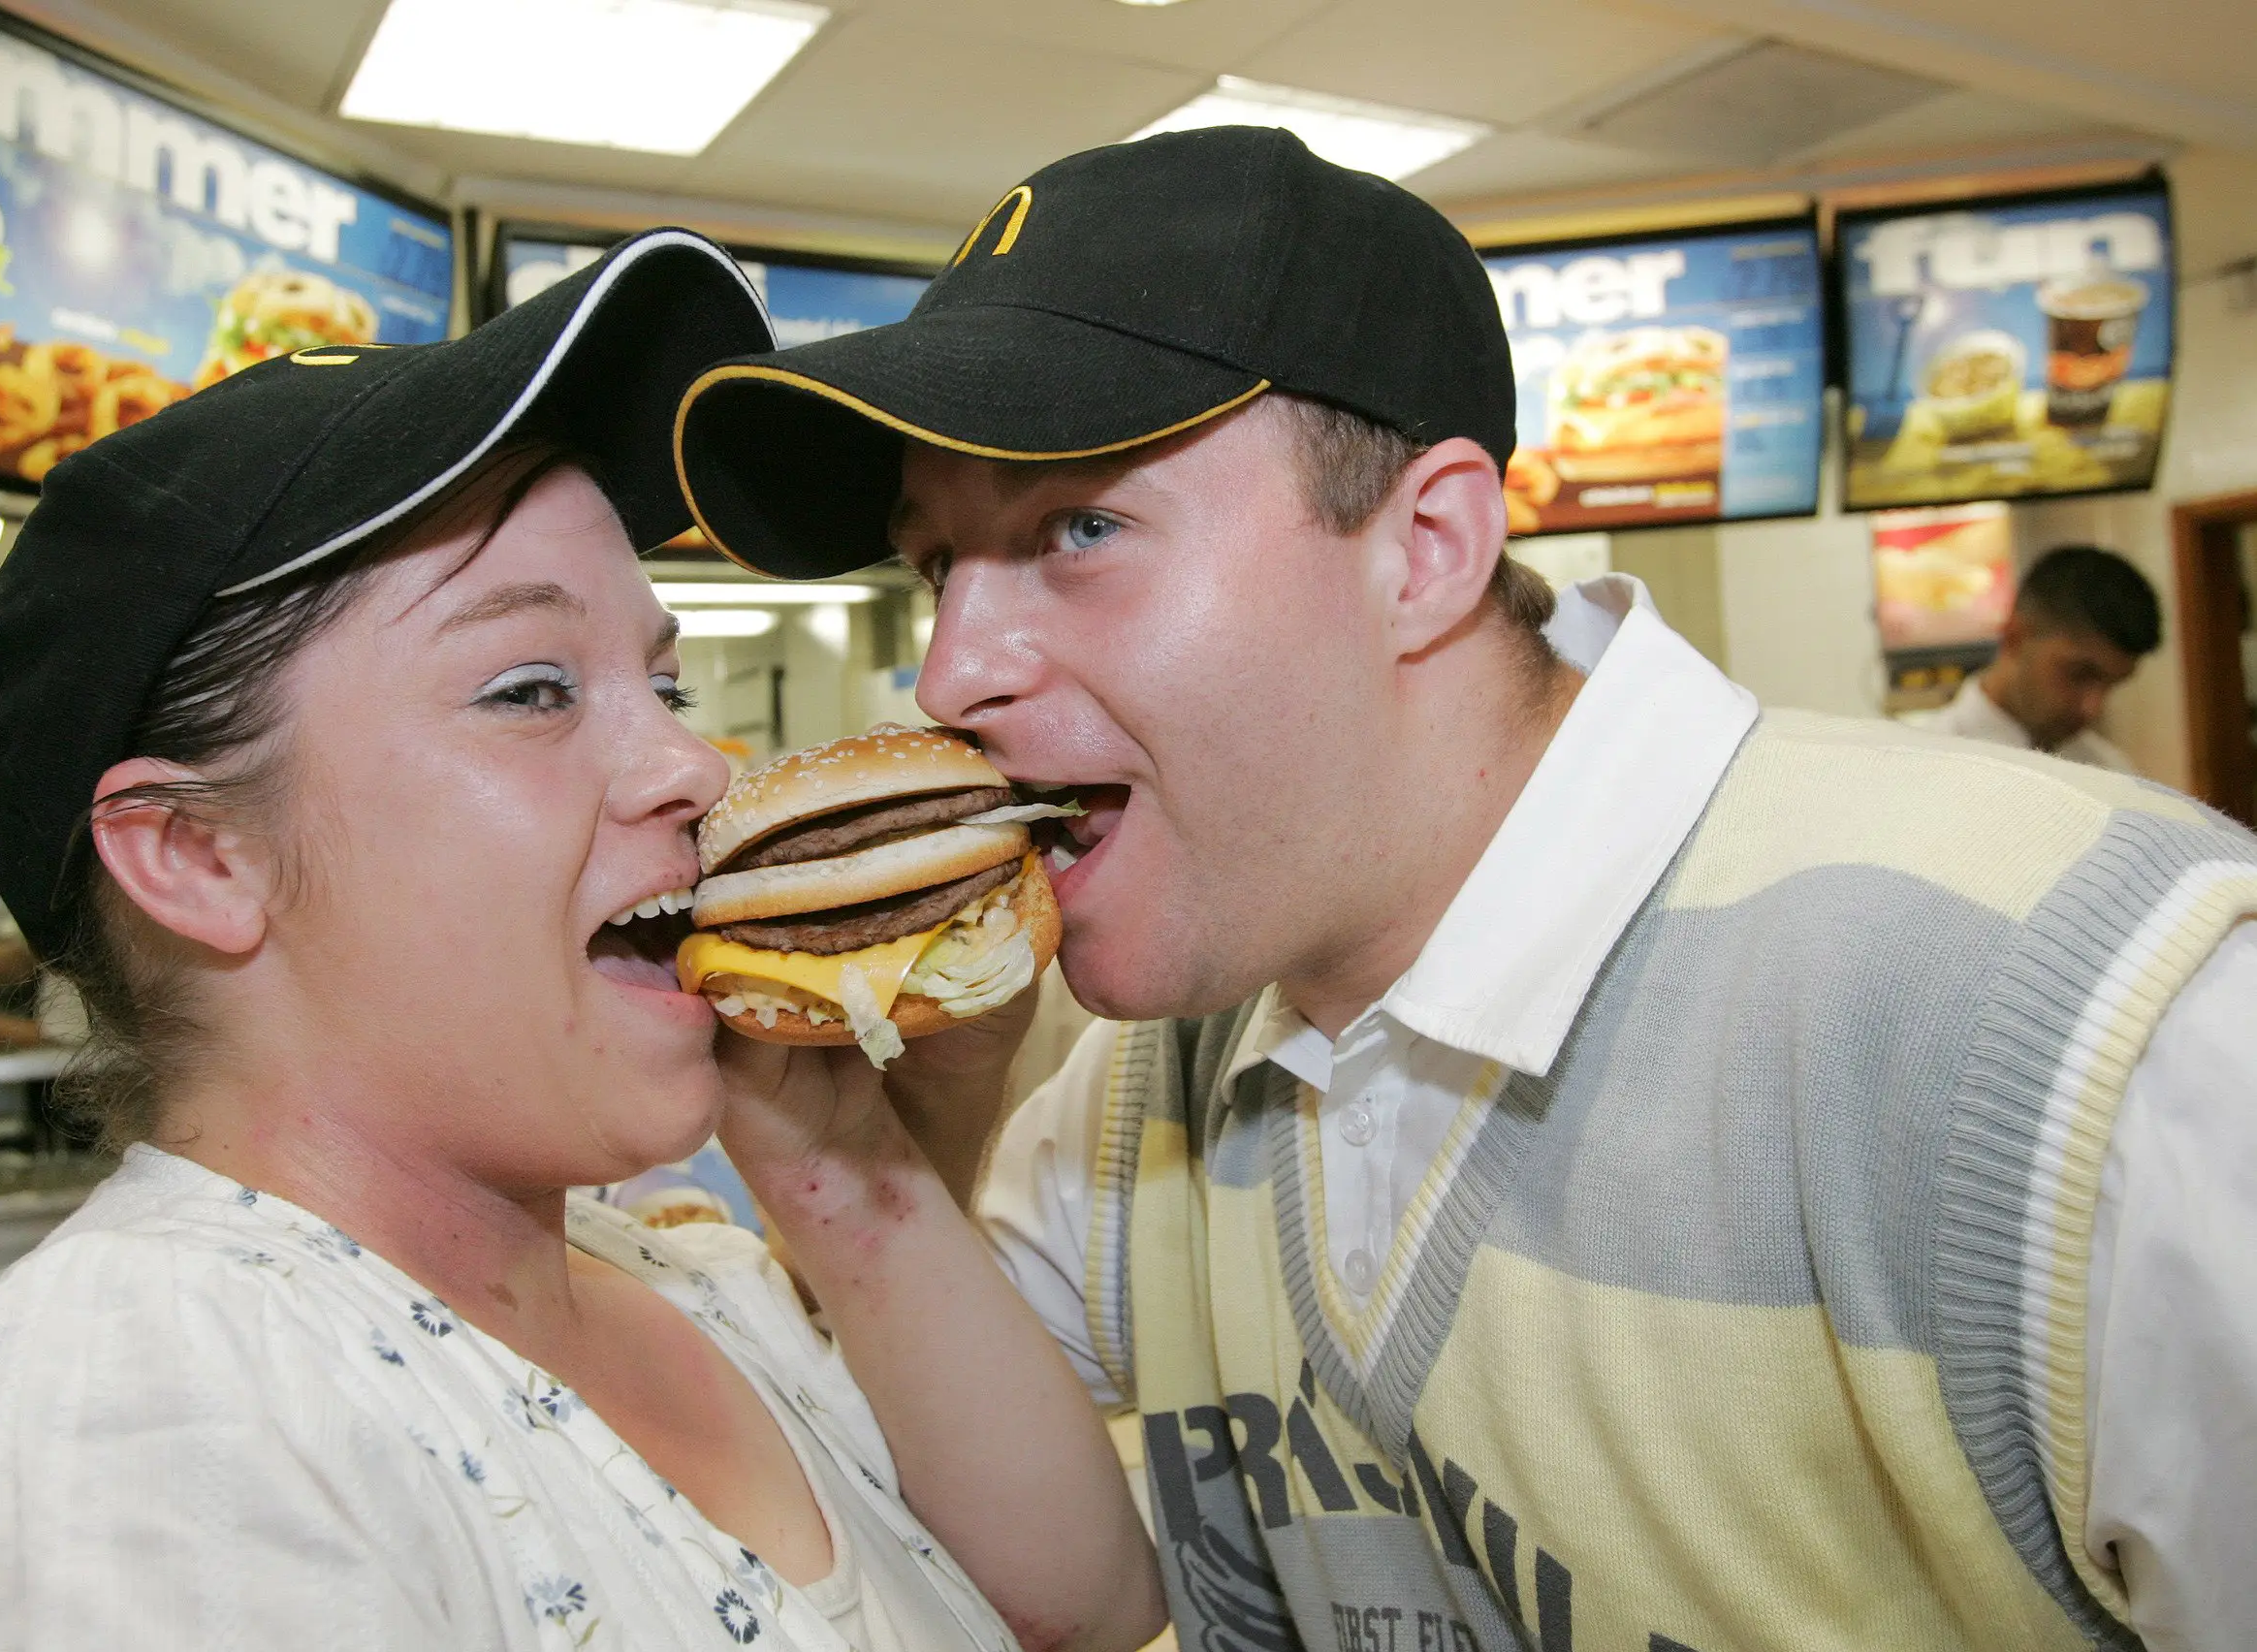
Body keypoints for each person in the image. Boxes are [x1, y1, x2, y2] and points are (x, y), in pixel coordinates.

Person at [674, 129, 2257, 1650]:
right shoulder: (1165, 1062)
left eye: (1081, 526)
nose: (951, 670)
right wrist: (851, 1158)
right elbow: (1066, 1587)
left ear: (1426, 545)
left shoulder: (2113, 1044)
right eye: (941, 566)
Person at [0, 230, 1147, 1651]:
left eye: (662, 687)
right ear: (198, 856)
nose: (697, 776)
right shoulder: (130, 1468)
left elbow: (1076, 1608)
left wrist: (853, 1175)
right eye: (530, 690)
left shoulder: (671, 1274)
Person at [1923, 544, 2164, 771]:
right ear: (2015, 637)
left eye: (2112, 685)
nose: (2093, 708)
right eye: (2080, 675)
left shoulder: (2111, 773)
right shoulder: (1926, 763)